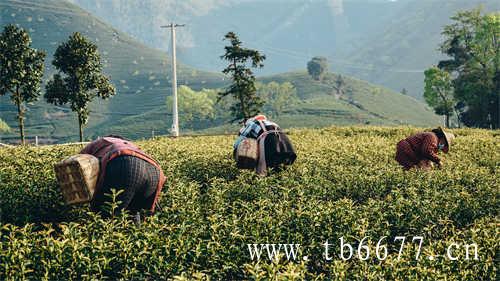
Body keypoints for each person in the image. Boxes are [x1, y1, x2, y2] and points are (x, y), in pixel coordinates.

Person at [80, 135, 166, 218]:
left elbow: (78, 165)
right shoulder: (129, 144)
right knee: (134, 213)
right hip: (154, 171)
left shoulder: (100, 142)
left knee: (108, 214)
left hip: (126, 164)